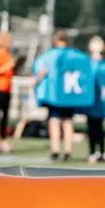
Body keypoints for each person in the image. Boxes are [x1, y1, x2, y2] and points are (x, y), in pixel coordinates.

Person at [33, 31, 76, 162]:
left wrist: (35, 82)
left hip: (54, 94)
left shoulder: (49, 56)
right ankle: (68, 150)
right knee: (68, 120)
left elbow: (42, 71)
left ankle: (55, 150)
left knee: (54, 120)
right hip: (69, 94)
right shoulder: (74, 56)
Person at [85, 35, 105, 162]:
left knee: (99, 127)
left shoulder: (103, 64)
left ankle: (101, 152)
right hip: (91, 101)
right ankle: (93, 151)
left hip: (101, 101)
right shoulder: (89, 63)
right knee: (92, 127)